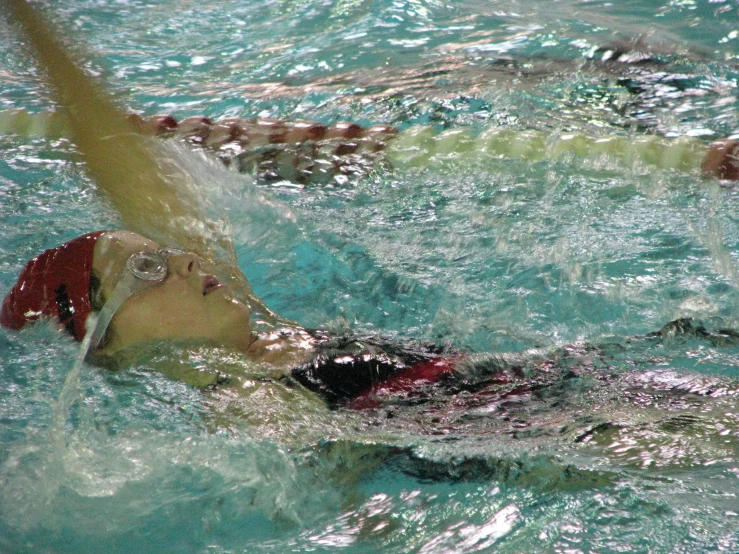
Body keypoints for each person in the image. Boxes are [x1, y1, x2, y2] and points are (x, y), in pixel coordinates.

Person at [2, 0, 737, 413]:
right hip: (583, 436)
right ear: (109, 343)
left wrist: (29, 18)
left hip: (573, 385)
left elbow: (130, 166)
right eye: (151, 270)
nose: (185, 259)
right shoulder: (249, 407)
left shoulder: (263, 333)